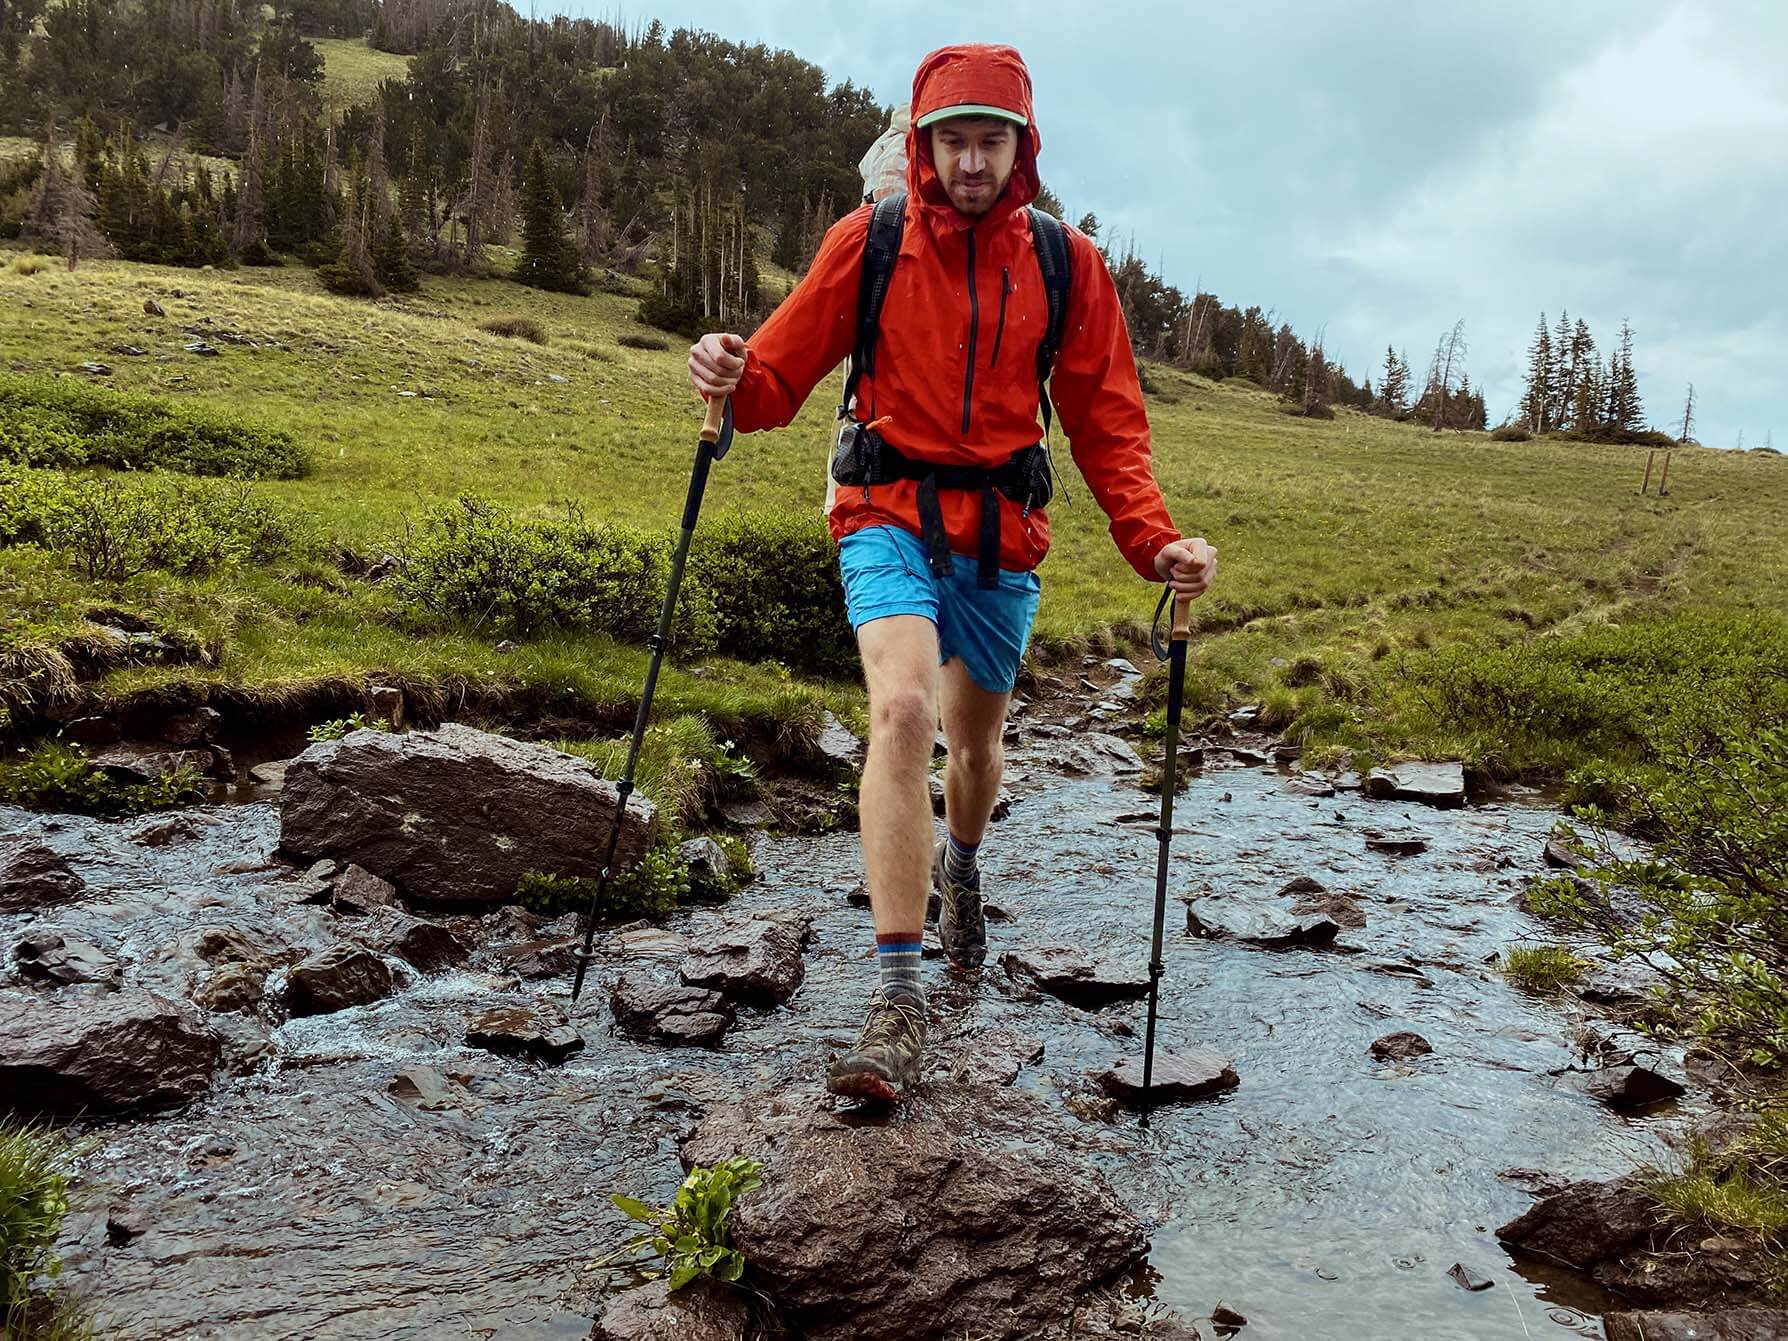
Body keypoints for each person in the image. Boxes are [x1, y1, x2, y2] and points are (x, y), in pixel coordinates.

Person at [687, 42, 1216, 1105]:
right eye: (952, 140)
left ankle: (961, 872)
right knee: (902, 714)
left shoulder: (1069, 265)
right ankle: (896, 996)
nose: (970, 162)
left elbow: (1109, 426)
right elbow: (778, 375)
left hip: (1002, 534)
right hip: (882, 509)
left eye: (991, 140)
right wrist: (728, 375)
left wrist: (1154, 542)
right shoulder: (871, 240)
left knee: (974, 748)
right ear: (922, 146)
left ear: (1022, 151)